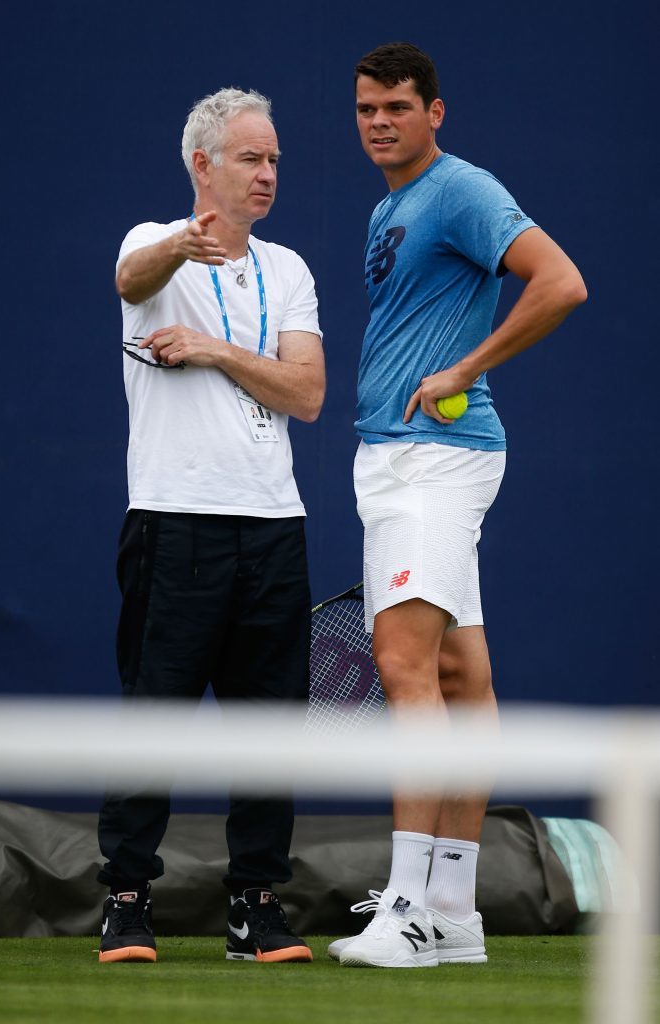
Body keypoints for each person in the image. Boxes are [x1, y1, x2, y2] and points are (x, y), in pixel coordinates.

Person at [331, 42, 587, 969]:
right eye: (365, 108)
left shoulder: (461, 189)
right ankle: (453, 909)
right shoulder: (389, 207)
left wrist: (464, 370)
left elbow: (559, 281)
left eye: (396, 106)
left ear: (435, 111)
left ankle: (403, 908)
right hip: (403, 460)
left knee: (402, 669)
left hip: (432, 459)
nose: (378, 121)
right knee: (455, 678)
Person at [97, 88, 325, 965]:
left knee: (270, 727)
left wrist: (213, 348)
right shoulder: (146, 248)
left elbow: (305, 393)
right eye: (249, 159)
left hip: (274, 527)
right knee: (154, 714)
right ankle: (125, 899)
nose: (267, 174)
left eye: (273, 161)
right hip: (173, 523)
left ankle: (255, 908)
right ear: (203, 165)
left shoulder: (290, 268)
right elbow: (130, 281)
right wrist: (179, 249)